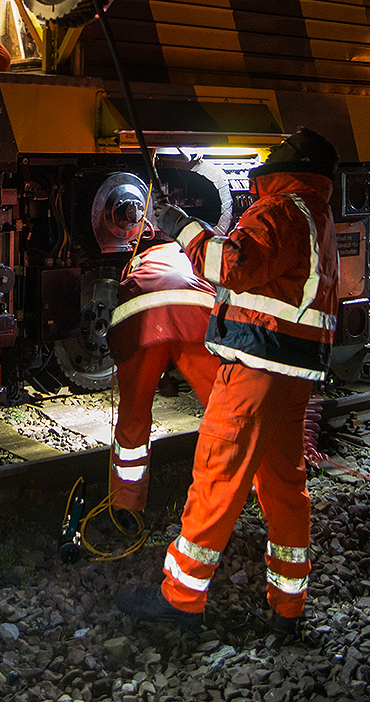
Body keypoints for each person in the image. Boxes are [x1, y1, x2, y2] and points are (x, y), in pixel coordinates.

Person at [115, 128, 339, 640]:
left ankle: (181, 598)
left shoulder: (283, 209)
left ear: (283, 172)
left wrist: (183, 229)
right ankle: (288, 606)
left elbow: (232, 265)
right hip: (293, 373)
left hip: (257, 367)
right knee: (285, 486)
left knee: (218, 474)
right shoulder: (318, 216)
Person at [107, 242, 220, 516]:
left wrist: (160, 381)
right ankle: (237, 492)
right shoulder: (198, 251)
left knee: (133, 414)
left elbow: (152, 349)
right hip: (195, 316)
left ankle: (126, 504)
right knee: (224, 411)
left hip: (141, 321)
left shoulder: (135, 263)